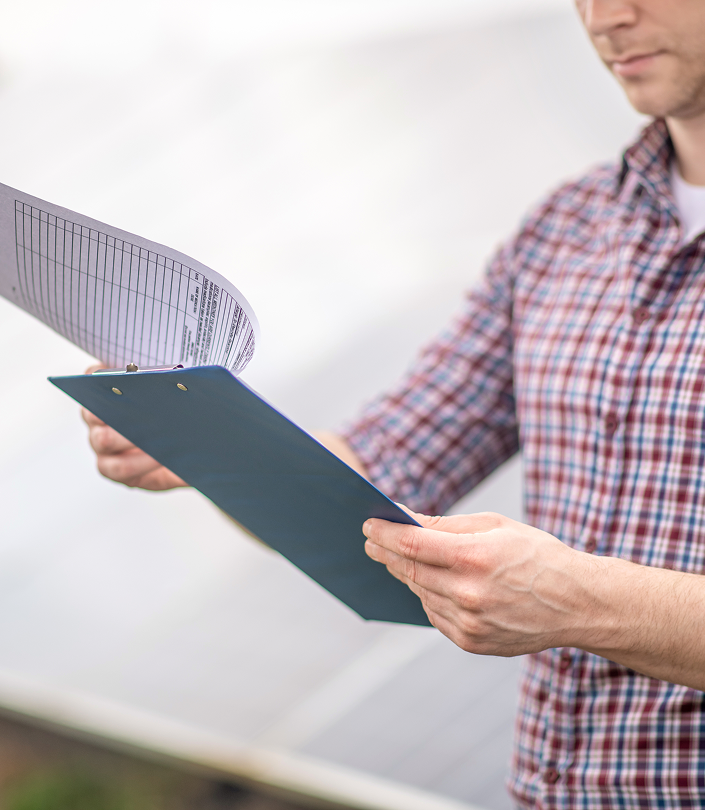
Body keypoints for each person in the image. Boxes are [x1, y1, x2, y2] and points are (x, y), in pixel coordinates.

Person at [82, 1, 705, 807]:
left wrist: (583, 603)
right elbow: (375, 474)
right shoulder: (564, 231)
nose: (604, 16)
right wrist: (205, 442)